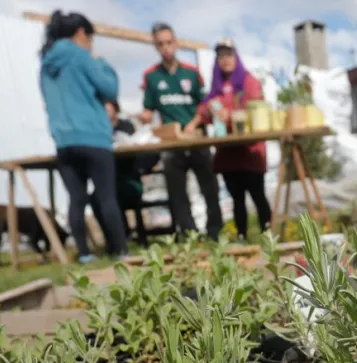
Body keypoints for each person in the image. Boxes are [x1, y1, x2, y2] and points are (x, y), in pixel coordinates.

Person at [39, 10, 129, 263]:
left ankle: (85, 255)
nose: (91, 45)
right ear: (81, 33)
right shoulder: (82, 56)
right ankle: (121, 251)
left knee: (76, 199)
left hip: (64, 140)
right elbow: (110, 88)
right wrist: (99, 62)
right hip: (93, 137)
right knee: (106, 196)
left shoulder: (46, 64)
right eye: (91, 39)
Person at [139, 23, 223, 240]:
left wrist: (194, 123)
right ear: (155, 47)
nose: (166, 48)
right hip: (171, 142)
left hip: (196, 138)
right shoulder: (151, 77)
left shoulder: (191, 73)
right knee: (177, 192)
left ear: (175, 43)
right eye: (160, 44)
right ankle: (189, 235)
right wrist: (145, 116)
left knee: (210, 187)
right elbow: (148, 108)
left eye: (169, 42)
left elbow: (205, 104)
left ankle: (215, 232)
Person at [188, 38, 270, 241]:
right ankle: (242, 237)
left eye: (228, 54)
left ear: (236, 56)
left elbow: (256, 108)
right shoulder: (216, 88)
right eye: (221, 56)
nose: (225, 60)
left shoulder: (248, 81)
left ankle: (268, 236)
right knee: (237, 198)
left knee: (257, 195)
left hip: (250, 151)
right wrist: (194, 123)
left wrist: (231, 115)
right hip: (228, 154)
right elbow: (204, 110)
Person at [91, 100, 151, 248]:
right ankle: (113, 240)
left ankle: (124, 237)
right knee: (95, 198)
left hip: (129, 180)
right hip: (108, 182)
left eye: (108, 109)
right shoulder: (96, 130)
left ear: (115, 109)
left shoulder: (126, 126)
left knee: (111, 195)